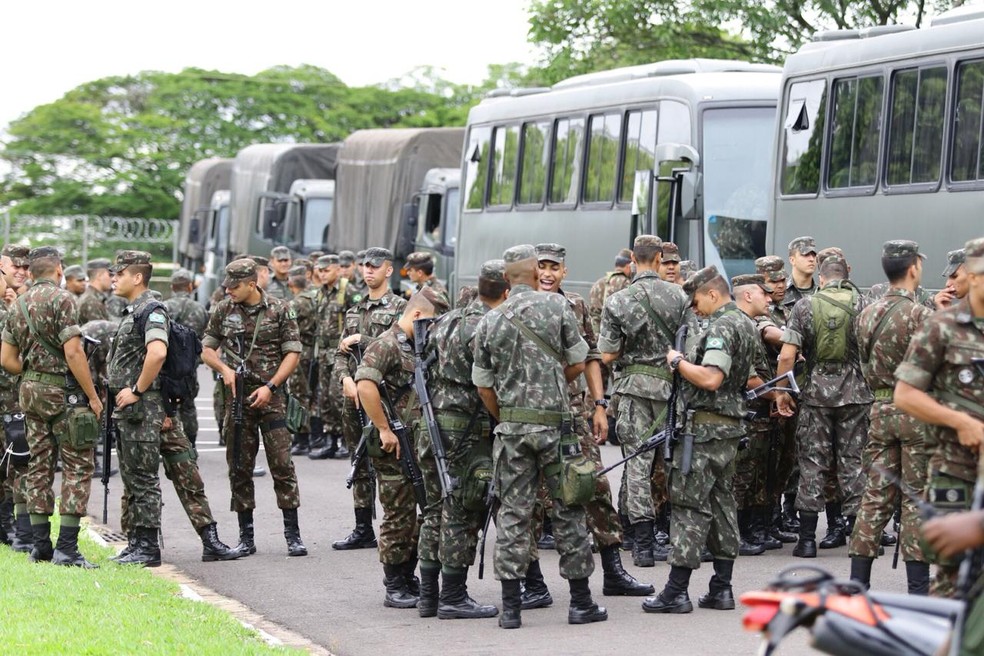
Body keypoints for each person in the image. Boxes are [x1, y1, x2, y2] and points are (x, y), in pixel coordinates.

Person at [643, 267, 792, 615]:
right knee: (723, 506)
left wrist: (678, 361)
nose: (694, 309)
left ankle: (676, 591)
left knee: (689, 506)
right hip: (728, 431)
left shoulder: (723, 327)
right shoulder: (743, 324)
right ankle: (721, 588)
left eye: (696, 301)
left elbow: (711, 378)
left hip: (703, 432)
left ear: (712, 294)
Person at [473, 243, 606, 630]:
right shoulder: (557, 307)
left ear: (505, 279)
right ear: (534, 272)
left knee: (514, 513)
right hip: (556, 427)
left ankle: (511, 608)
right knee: (568, 508)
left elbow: (483, 387)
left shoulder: (490, 321)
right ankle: (581, 602)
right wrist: (553, 391)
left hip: (512, 430)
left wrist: (508, 415)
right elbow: (579, 361)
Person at [535, 243, 653, 598]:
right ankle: (531, 582)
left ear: (564, 272)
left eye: (554, 267)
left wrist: (600, 405)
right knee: (529, 499)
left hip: (572, 411)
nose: (547, 273)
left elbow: (591, 357)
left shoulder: (575, 305)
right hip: (530, 415)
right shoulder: (518, 307)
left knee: (595, 487)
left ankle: (614, 571)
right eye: (541, 266)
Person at [1, 246, 104, 567]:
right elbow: (74, 352)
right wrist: (93, 396)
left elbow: (7, 360)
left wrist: (33, 373)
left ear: (30, 273)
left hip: (29, 392)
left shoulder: (17, 304)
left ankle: (40, 545)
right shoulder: (63, 300)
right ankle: (68, 548)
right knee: (77, 463)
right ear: (59, 271)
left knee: (37, 465)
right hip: (63, 393)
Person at [895, 236, 984, 598]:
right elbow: (906, 394)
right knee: (954, 582)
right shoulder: (942, 327)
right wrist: (960, 421)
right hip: (957, 472)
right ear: (973, 276)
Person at [201, 258, 307, 557]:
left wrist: (271, 386)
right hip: (237, 400)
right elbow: (206, 349)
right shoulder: (223, 308)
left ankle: (293, 534)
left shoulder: (280, 308)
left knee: (282, 465)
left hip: (271, 398)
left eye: (235, 287)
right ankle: (246, 536)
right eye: (227, 286)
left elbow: (292, 353)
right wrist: (224, 369)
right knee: (239, 467)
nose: (229, 291)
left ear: (252, 284)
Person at [421, 259, 507, 619]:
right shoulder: (487, 326)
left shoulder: (446, 321)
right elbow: (488, 382)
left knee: (433, 510)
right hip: (466, 430)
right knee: (462, 510)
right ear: (506, 292)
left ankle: (428, 597)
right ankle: (453, 596)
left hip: (431, 425)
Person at [599, 235, 690, 568]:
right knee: (671, 465)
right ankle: (675, 534)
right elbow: (689, 347)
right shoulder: (679, 296)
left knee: (637, 466)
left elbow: (607, 353)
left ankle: (642, 545)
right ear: (661, 257)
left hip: (634, 390)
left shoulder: (619, 300)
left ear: (634, 261)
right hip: (670, 390)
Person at [356, 287, 448, 608]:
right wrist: (384, 427)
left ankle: (407, 575)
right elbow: (365, 384)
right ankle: (394, 583)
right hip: (394, 442)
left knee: (419, 510)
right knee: (399, 514)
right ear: (418, 315)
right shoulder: (387, 344)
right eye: (433, 322)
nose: (435, 329)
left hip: (417, 443)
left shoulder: (416, 347)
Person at [849, 241, 932, 594]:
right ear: (914, 267)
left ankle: (857, 584)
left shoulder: (865, 314)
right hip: (916, 411)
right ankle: (918, 591)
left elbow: (864, 364)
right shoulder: (921, 316)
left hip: (880, 409)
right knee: (916, 499)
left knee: (875, 495)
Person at [777, 255, 872, 559]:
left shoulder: (805, 306)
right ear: (847, 275)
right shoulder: (863, 304)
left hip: (816, 395)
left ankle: (806, 540)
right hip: (856, 394)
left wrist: (783, 392)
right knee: (853, 462)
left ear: (821, 276)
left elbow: (787, 356)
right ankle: (858, 537)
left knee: (812, 464)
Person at [331, 248, 406, 550]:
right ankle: (363, 527)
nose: (368, 271)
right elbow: (339, 354)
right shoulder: (354, 310)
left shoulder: (401, 307)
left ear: (389, 270)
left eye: (375, 266)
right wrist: (345, 379)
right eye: (365, 266)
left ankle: (395, 526)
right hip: (355, 399)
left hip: (387, 396)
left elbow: (404, 350)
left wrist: (366, 341)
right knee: (359, 460)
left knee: (391, 464)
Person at [308, 254, 362, 460]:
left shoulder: (348, 291)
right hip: (322, 352)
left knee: (338, 395)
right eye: (319, 271)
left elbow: (357, 320)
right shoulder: (320, 293)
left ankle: (346, 440)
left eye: (326, 270)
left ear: (338, 270)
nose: (322, 274)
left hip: (341, 353)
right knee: (325, 398)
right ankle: (330, 439)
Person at [0, 251, 31, 549]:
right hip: (6, 396)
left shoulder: (16, 304)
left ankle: (7, 526)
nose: (21, 271)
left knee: (12, 461)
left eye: (26, 266)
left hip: (12, 399)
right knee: (13, 463)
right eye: (15, 266)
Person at [163, 268, 208, 447]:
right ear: (190, 287)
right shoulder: (199, 309)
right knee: (188, 406)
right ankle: (191, 444)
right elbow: (206, 337)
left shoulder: (164, 307)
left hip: (167, 366)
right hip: (189, 366)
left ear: (173, 287)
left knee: (166, 406)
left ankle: (169, 444)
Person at [286, 271, 320, 457]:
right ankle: (315, 435)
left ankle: (302, 438)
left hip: (299, 351)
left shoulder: (296, 303)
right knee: (313, 394)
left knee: (300, 395)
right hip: (314, 350)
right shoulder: (315, 298)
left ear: (292, 285)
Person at [782, 236, 818, 318]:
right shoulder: (780, 292)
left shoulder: (821, 293)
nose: (811, 259)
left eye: (814, 255)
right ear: (792, 260)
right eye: (805, 255)